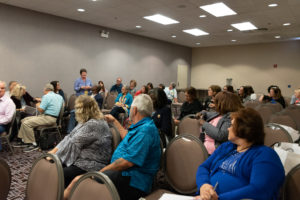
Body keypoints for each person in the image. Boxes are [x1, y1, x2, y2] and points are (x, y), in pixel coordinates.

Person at [64, 94, 161, 200]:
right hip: (124, 174)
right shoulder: (142, 126)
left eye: (131, 109)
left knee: (81, 182)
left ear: (135, 110)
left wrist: (101, 172)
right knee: (78, 181)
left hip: (134, 181)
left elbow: (127, 162)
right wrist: (114, 121)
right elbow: (127, 137)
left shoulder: (145, 131)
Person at [195, 108, 284, 200]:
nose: (228, 128)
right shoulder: (227, 146)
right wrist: (204, 185)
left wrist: (219, 198)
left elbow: (259, 189)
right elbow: (204, 167)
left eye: (232, 125)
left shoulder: (265, 155)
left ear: (244, 129)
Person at [48, 95, 112, 188]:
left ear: (86, 109)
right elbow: (69, 137)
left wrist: (53, 156)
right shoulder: (86, 120)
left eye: (78, 108)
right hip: (81, 158)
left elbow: (72, 143)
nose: (76, 110)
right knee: (54, 168)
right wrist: (53, 153)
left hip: (92, 164)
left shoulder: (94, 124)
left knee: (57, 173)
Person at [14, 83, 64, 152]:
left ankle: (33, 144)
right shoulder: (59, 97)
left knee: (26, 123)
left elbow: (41, 110)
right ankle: (24, 140)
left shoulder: (46, 96)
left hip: (48, 118)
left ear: (46, 89)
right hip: (54, 118)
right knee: (24, 120)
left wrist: (37, 104)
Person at [0, 81, 16, 151]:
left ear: (5, 90)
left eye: (2, 88)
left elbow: (8, 119)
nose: (0, 89)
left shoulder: (9, 102)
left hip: (3, 125)